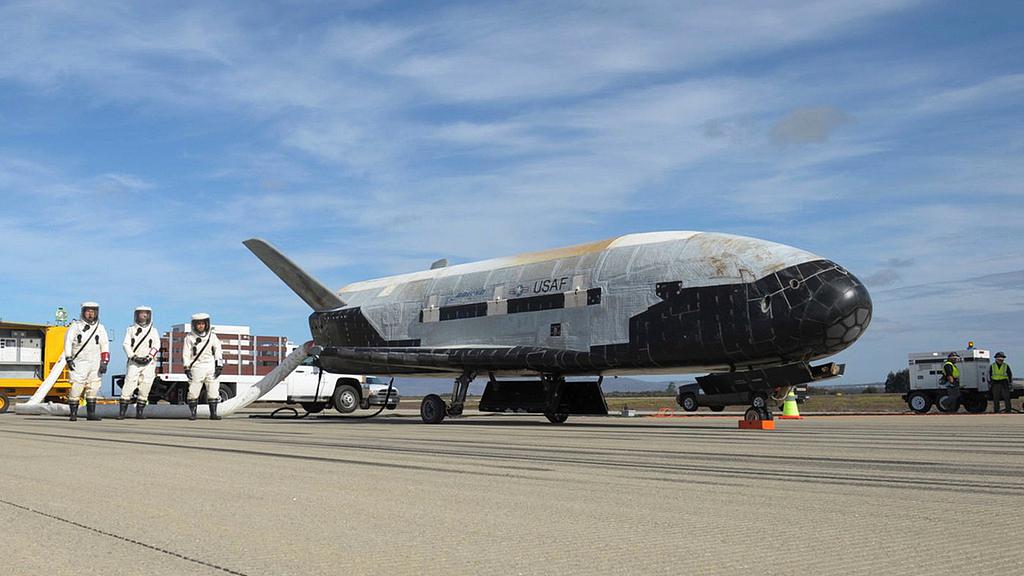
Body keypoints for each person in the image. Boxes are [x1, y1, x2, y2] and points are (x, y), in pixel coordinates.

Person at [63, 302, 110, 421]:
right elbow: (68, 342)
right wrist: (68, 357)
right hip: (79, 361)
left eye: (92, 312)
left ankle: (91, 414)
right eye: (88, 311)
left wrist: (104, 362)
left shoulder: (100, 328)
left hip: (95, 362)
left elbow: (104, 345)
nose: (90, 314)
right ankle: (73, 414)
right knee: (76, 387)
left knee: (93, 387)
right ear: (83, 312)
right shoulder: (75, 326)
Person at [119, 306, 159, 420]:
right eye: (141, 314)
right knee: (129, 384)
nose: (144, 316)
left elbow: (157, 345)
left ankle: (140, 413)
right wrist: (133, 356)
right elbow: (125, 344)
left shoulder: (154, 331)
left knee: (145, 386)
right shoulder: (130, 330)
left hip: (149, 363)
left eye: (146, 314)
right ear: (137, 315)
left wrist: (149, 357)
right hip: (134, 362)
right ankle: (122, 413)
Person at [182, 313, 224, 421]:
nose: (201, 326)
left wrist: (219, 365)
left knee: (213, 390)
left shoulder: (212, 336)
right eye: (198, 324)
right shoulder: (189, 337)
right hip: (196, 366)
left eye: (203, 324)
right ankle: (193, 413)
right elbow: (186, 353)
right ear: (194, 325)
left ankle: (213, 413)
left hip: (210, 366)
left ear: (206, 324)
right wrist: (186, 367)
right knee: (193, 390)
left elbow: (218, 350)